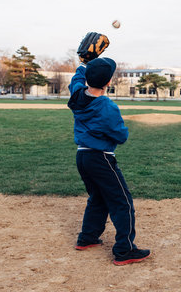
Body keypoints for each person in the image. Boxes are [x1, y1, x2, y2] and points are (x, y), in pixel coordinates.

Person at [67, 36, 150, 266]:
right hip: (101, 158)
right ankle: (125, 250)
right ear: (108, 81)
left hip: (82, 156)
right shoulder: (107, 106)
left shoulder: (77, 97)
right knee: (122, 203)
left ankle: (88, 237)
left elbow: (76, 80)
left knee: (98, 197)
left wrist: (84, 64)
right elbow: (121, 136)